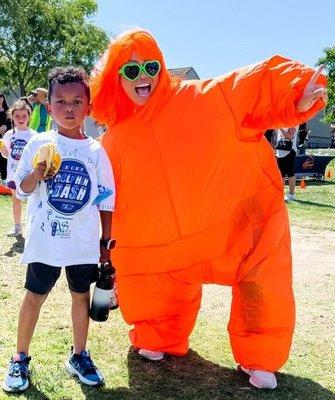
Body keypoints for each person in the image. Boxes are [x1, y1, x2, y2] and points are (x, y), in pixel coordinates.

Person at [90, 29, 327, 390]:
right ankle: (158, 334)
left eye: (151, 66)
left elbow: (247, 86)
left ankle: (260, 355)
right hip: (164, 243)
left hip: (232, 223)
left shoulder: (198, 97)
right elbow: (101, 192)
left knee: (262, 280)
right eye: (131, 70)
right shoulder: (113, 140)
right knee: (152, 278)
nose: (144, 77)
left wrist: (296, 90)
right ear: (115, 78)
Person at [2, 67, 115, 392]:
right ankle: (20, 357)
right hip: (45, 241)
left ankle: (79, 355)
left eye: (77, 101)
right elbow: (21, 189)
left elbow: (107, 200)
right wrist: (37, 174)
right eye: (61, 101)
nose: (69, 108)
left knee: (81, 297)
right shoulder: (40, 142)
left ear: (88, 108)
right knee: (34, 297)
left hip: (82, 244)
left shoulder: (95, 151)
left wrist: (106, 242)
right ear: (48, 107)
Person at [0, 100, 36, 236]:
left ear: (29, 116)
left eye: (24, 116)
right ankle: (17, 226)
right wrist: (2, 147)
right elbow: (6, 155)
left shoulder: (34, 136)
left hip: (30, 175)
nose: (21, 119)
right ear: (12, 117)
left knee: (33, 200)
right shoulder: (9, 135)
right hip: (13, 174)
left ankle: (32, 227)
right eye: (17, 116)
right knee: (16, 200)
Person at [276, 126, 299, 202]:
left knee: (290, 173)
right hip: (280, 151)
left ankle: (291, 194)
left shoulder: (294, 123)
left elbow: (289, 136)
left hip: (290, 150)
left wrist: (280, 128)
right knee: (281, 173)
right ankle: (280, 194)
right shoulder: (282, 122)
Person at [0, 91, 12, 185]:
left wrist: (5, 126)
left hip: (4, 138)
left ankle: (4, 178)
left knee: (4, 157)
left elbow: (10, 123)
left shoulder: (8, 111)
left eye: (1, 96)